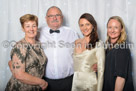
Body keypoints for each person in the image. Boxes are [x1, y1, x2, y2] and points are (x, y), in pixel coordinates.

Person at [39, 6, 78, 91]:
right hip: (45, 82)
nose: (54, 18)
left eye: (57, 15)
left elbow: (80, 54)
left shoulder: (72, 33)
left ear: (62, 17)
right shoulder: (37, 33)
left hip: (68, 81)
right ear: (46, 18)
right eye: (51, 16)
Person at [6, 14, 48, 91]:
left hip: (35, 87)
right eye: (27, 26)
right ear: (23, 28)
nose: (31, 29)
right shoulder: (20, 46)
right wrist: (42, 82)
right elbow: (19, 75)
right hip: (21, 87)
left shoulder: (38, 44)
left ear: (37, 27)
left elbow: (11, 62)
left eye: (34, 26)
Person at [71, 13, 105, 91]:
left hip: (90, 86)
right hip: (75, 84)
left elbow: (101, 71)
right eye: (81, 25)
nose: (84, 28)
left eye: (87, 24)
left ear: (93, 25)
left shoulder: (99, 44)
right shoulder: (76, 42)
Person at [102, 16, 134, 91]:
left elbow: (121, 78)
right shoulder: (108, 48)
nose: (112, 30)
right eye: (110, 27)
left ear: (121, 29)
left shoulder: (122, 48)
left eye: (116, 27)